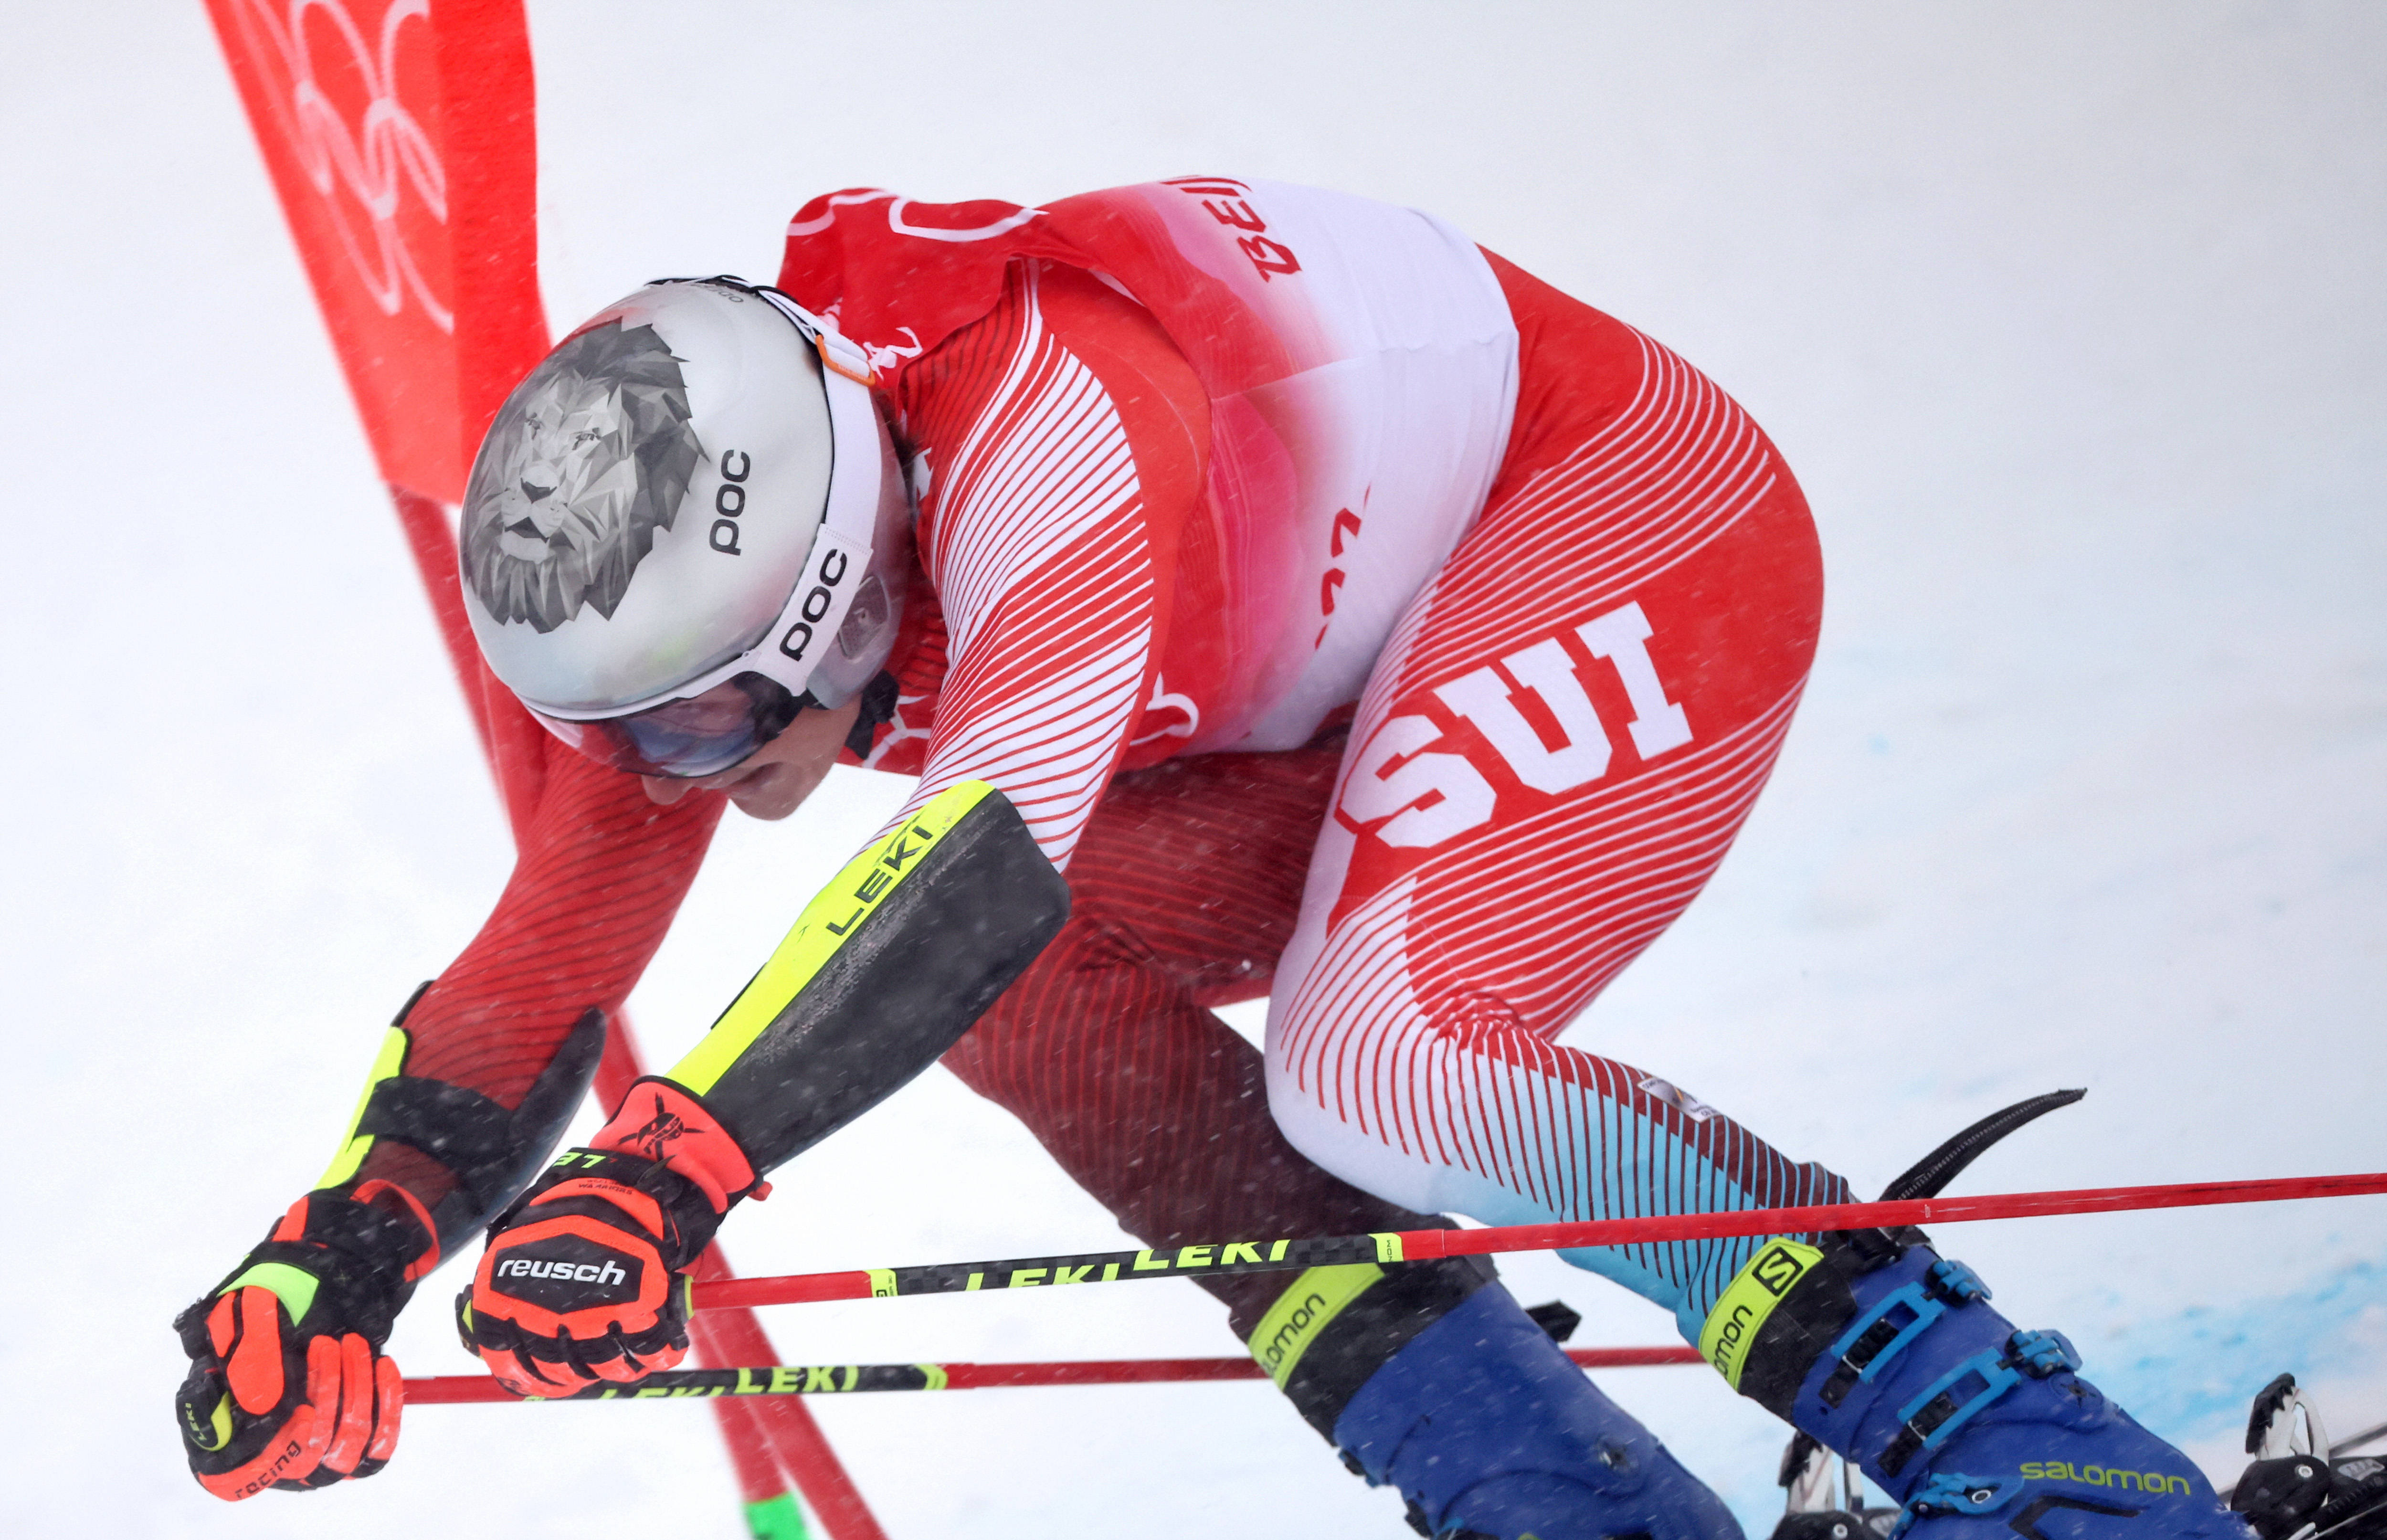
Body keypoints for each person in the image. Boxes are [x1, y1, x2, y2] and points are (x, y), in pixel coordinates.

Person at [173, 177, 2245, 1538]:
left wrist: (668, 1177)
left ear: (810, 607)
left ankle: (2042, 1469)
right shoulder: (740, 541)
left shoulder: (1041, 450)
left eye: (697, 729)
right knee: (1040, 1021)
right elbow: (554, 947)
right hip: (1300, 684)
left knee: (1386, 1063)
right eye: (609, 736)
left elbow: (975, 870)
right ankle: (1542, 1489)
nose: (667, 780)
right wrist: (340, 1245)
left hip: (1605, 521)